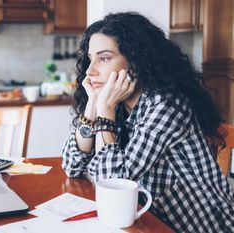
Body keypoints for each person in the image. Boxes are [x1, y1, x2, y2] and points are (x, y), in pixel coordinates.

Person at [61, 12, 234, 232]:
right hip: (151, 223)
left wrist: (105, 110)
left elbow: (113, 185)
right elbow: (71, 166)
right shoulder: (121, 106)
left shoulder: (167, 105)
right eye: (90, 58)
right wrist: (92, 105)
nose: (89, 70)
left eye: (103, 58)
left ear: (135, 61)